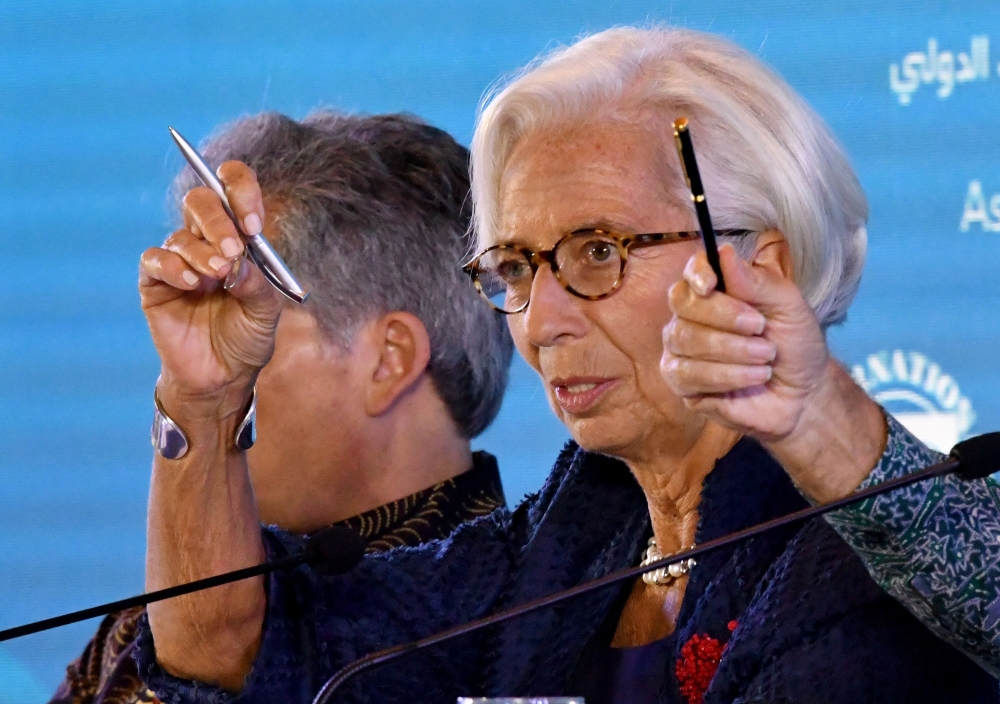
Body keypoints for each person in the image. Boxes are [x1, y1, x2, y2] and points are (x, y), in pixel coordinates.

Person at [133, 27, 999, 703]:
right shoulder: (572, 540)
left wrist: (816, 414)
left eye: (596, 251)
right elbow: (232, 653)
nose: (541, 321)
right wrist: (205, 406)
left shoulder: (873, 558)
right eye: (515, 267)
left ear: (756, 268)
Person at [50, 110, 512, 704]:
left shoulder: (526, 617)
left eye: (250, 333)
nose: (208, 376)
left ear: (388, 359)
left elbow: (227, 645)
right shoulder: (147, 624)